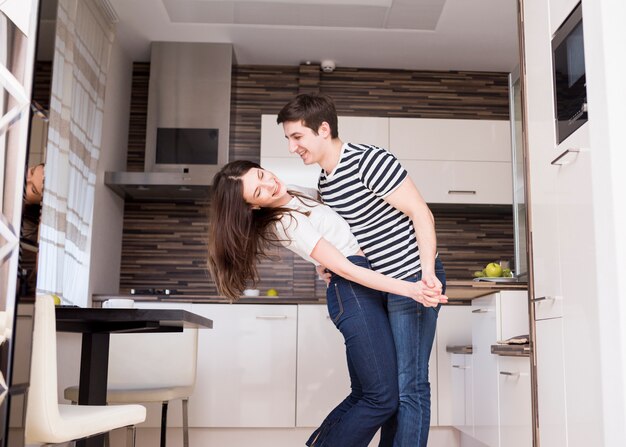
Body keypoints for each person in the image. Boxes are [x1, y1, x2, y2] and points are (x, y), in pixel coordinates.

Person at [207, 160, 447, 447]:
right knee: (381, 398)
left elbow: (331, 227)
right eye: (259, 192)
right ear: (253, 207)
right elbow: (345, 268)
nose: (269, 185)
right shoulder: (285, 221)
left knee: (367, 394)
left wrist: (320, 263)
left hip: (358, 286)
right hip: (352, 290)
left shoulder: (294, 192)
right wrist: (411, 289)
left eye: (262, 175)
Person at [277, 93, 447, 447]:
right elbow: (341, 234)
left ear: (323, 129)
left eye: (297, 137)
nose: (293, 148)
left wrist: (427, 271)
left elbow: (421, 213)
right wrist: (324, 265)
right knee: (391, 390)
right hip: (381, 286)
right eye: (289, 139)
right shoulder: (326, 182)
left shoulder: (368, 160)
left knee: (409, 385)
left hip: (413, 277)